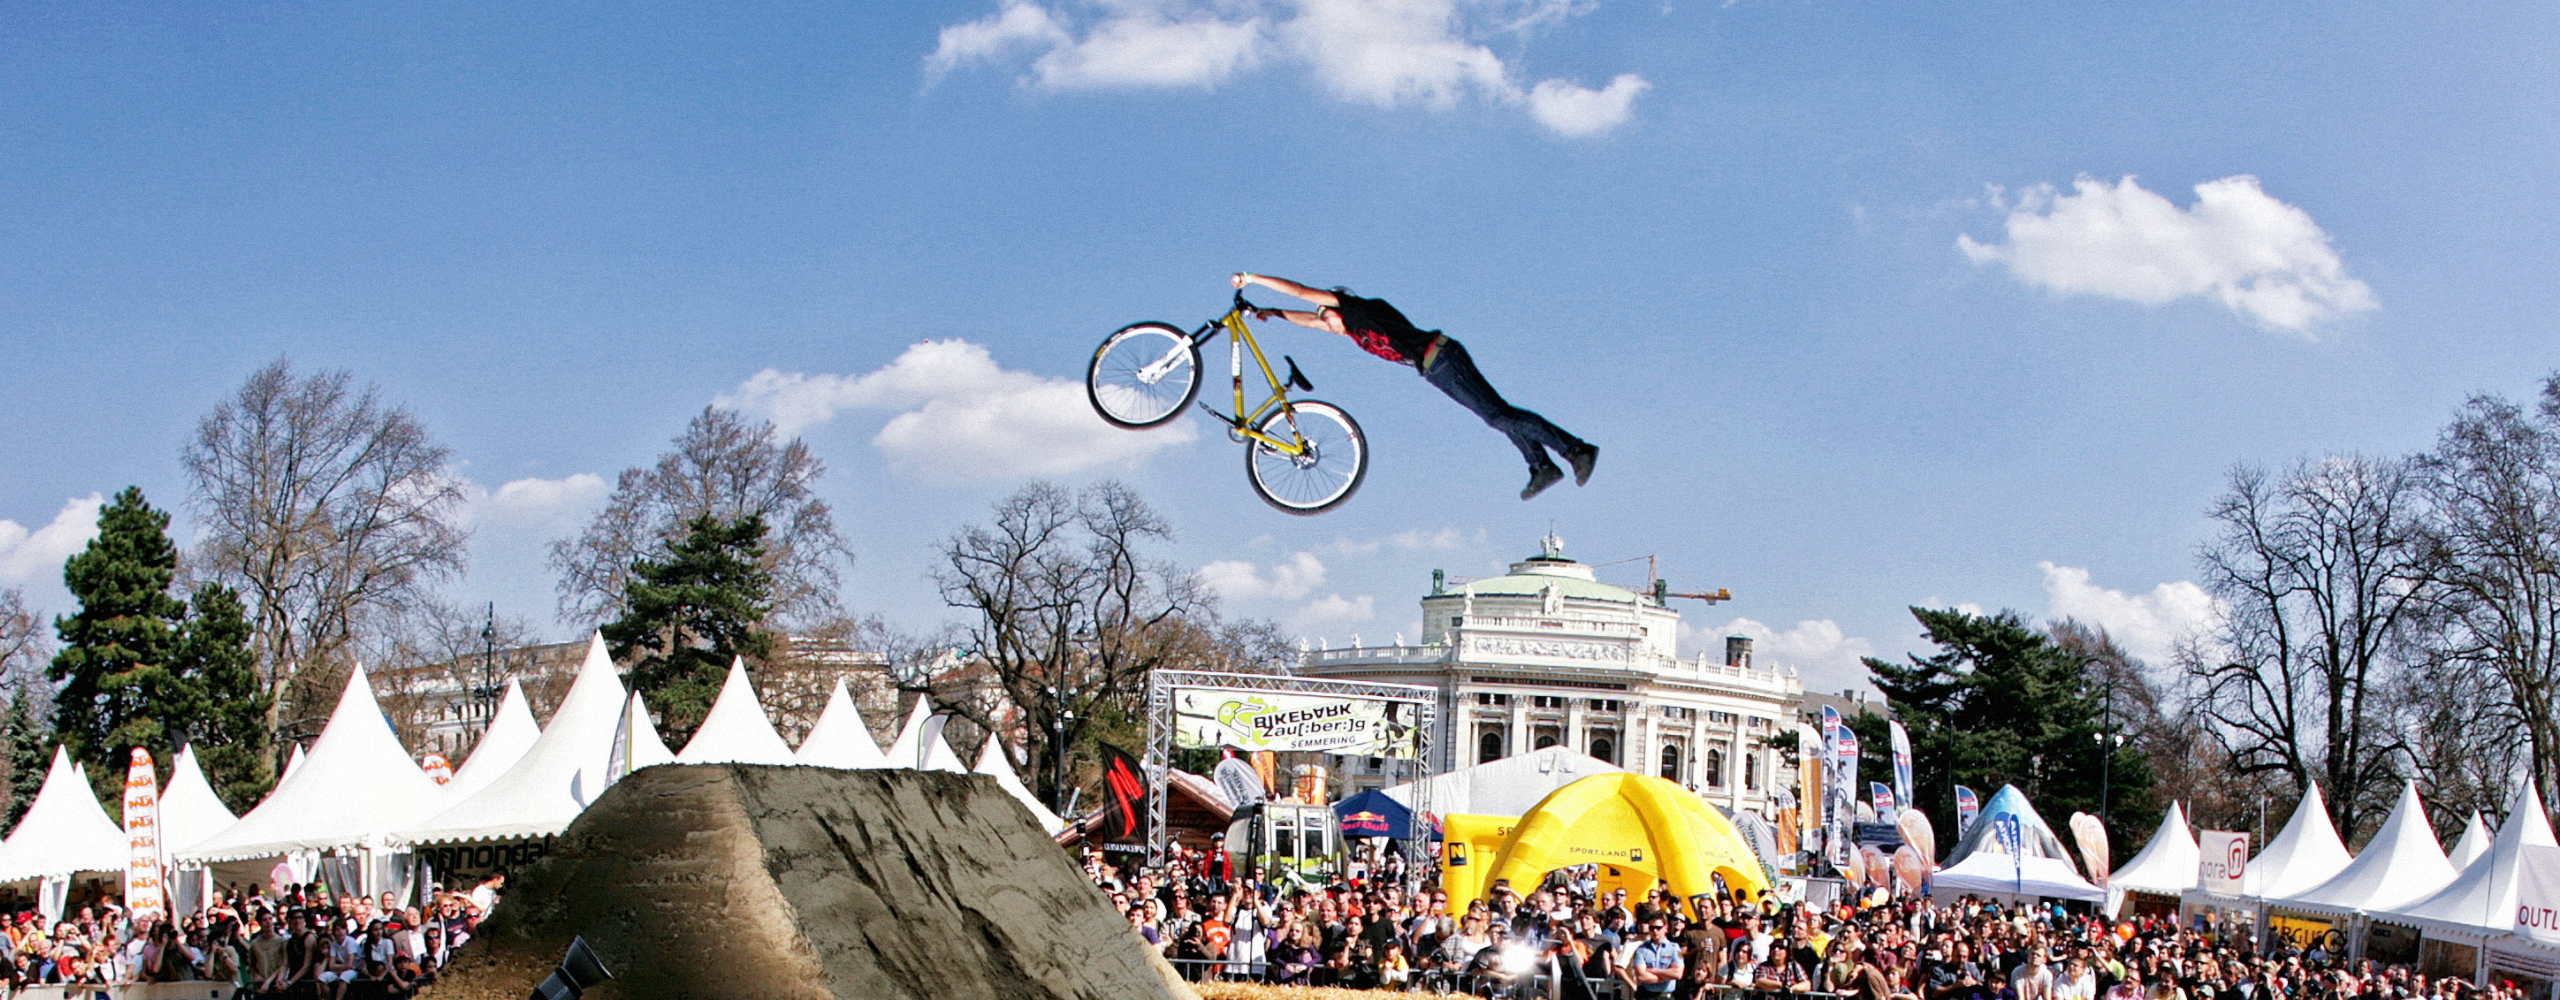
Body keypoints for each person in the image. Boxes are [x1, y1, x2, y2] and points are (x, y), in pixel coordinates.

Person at [1233, 272, 1600, 499]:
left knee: (1498, 416)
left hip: (1441, 357)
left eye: (1324, 314)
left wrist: (1253, 279)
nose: (1323, 322)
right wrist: (1268, 314)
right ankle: (1542, 467)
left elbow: (1300, 293)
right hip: (1435, 367)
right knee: (1499, 415)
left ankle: (1575, 450)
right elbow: (1308, 319)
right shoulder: (1350, 329)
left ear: (1335, 303)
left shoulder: (1358, 308)